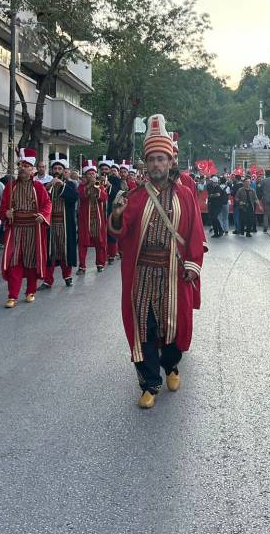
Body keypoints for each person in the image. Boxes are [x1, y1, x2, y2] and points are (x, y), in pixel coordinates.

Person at [108, 114, 205, 409]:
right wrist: (115, 214)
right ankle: (150, 383)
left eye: (162, 159)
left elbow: (194, 232)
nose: (157, 165)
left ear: (170, 162)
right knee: (145, 328)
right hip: (143, 274)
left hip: (174, 273)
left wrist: (192, 263)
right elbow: (120, 233)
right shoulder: (134, 196)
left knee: (175, 329)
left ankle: (171, 365)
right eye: (152, 160)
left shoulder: (186, 195)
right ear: (146, 164)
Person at [0, 149, 52, 307]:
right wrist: (6, 213)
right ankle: (12, 295)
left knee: (31, 260)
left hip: (33, 228)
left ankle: (30, 291)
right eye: (20, 165)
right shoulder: (10, 186)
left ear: (32, 170)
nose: (22, 168)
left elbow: (47, 204)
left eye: (26, 165)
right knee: (14, 260)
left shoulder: (38, 187)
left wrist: (42, 215)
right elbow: (3, 208)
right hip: (15, 228)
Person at [44, 155, 79, 286]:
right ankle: (48, 280)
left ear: (64, 170)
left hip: (65, 224)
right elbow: (39, 198)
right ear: (52, 170)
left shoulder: (70, 184)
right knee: (50, 252)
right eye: (55, 168)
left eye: (59, 168)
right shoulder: (46, 184)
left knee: (65, 250)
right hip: (50, 225)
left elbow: (75, 197)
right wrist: (48, 186)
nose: (57, 170)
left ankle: (67, 276)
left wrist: (62, 185)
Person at [78, 160, 109, 274]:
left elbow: (104, 198)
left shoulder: (99, 186)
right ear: (86, 175)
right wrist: (88, 186)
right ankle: (82, 266)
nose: (91, 175)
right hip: (85, 220)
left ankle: (100, 264)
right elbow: (81, 196)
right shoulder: (82, 186)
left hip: (98, 219)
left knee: (99, 242)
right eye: (89, 174)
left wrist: (97, 189)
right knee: (83, 243)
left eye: (93, 173)